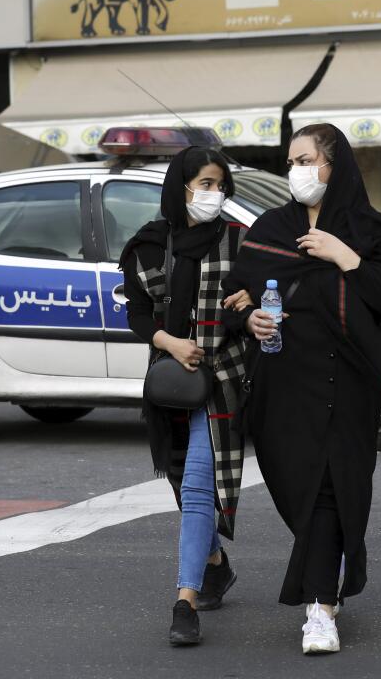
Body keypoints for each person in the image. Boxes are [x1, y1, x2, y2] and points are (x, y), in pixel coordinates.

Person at [223, 123, 381, 655]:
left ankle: (320, 609)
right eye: (290, 162)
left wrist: (344, 256)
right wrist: (250, 322)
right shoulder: (270, 227)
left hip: (347, 383)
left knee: (333, 490)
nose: (296, 172)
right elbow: (234, 294)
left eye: (306, 160)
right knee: (297, 490)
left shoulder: (369, 229)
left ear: (334, 165)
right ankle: (324, 578)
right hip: (282, 385)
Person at [119, 146, 250, 647]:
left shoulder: (241, 242)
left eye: (219, 184)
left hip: (223, 381)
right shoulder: (149, 247)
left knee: (198, 485)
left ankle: (185, 600)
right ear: (180, 188)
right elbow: (136, 314)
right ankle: (215, 563)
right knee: (181, 481)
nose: (213, 194)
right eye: (203, 184)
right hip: (171, 382)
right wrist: (170, 342)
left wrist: (250, 303)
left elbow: (259, 299)